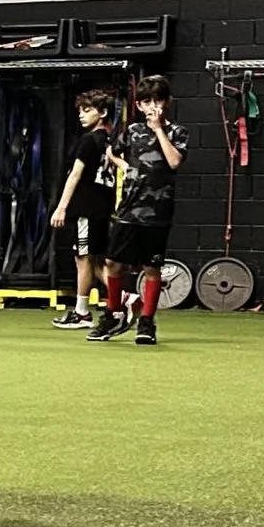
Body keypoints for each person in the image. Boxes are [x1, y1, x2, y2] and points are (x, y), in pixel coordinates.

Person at [87, 76, 187, 345]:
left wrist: (158, 130)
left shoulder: (177, 132)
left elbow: (175, 161)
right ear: (139, 105)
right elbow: (112, 152)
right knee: (112, 262)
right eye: (147, 102)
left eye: (158, 100)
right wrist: (125, 167)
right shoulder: (131, 132)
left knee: (151, 267)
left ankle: (146, 322)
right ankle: (113, 313)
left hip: (158, 212)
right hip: (129, 208)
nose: (153, 106)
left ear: (167, 102)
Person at [47, 89, 115, 330]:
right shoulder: (110, 139)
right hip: (102, 207)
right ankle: (123, 300)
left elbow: (75, 174)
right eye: (80, 111)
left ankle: (84, 312)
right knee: (94, 261)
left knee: (83, 259)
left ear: (103, 112)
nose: (81, 115)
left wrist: (61, 207)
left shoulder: (89, 140)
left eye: (87, 110)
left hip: (87, 208)